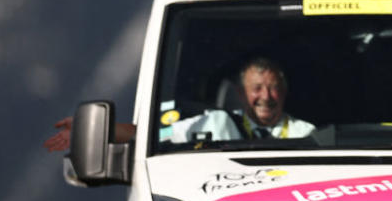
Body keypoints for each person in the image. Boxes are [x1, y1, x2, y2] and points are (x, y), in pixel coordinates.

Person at [43, 57, 313, 151]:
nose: (265, 96)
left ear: (284, 93)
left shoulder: (307, 134)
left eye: (273, 88)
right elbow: (149, 135)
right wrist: (90, 129)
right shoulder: (216, 123)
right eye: (256, 88)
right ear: (241, 94)